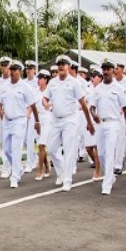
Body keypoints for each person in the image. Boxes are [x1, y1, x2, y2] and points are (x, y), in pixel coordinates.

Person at [43, 55, 95, 192]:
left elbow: (83, 103)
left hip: (70, 120)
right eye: (59, 64)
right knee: (52, 148)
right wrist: (46, 104)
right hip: (55, 119)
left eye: (64, 64)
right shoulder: (53, 83)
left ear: (69, 67)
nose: (61, 66)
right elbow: (45, 98)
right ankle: (61, 172)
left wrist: (89, 122)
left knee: (69, 150)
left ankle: (67, 180)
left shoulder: (74, 83)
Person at [0, 60, 39, 188]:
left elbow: (32, 105)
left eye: (15, 70)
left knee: (16, 148)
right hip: (7, 121)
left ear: (20, 72)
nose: (12, 72)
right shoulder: (4, 86)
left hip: (20, 120)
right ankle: (18, 167)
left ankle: (14, 177)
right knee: (6, 148)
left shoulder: (25, 87)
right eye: (11, 69)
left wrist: (36, 121)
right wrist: (1, 112)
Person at [90, 60, 126, 195]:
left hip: (114, 123)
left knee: (109, 153)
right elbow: (91, 107)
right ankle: (110, 176)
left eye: (108, 69)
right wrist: (93, 114)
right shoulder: (97, 89)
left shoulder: (118, 89)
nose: (106, 71)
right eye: (104, 69)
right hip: (101, 123)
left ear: (113, 71)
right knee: (101, 153)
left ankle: (106, 184)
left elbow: (125, 109)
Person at [34, 69, 52, 180]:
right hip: (38, 119)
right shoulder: (35, 91)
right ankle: (47, 166)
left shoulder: (50, 91)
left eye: (40, 78)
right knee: (41, 145)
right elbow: (32, 106)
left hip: (47, 118)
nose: (38, 80)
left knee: (41, 145)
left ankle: (39, 170)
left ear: (45, 79)